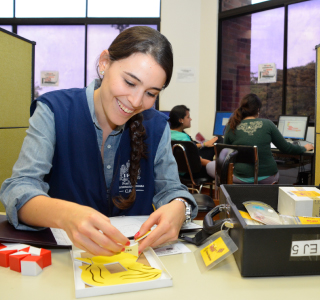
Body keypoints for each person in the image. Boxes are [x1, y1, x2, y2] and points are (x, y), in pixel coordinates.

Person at [0, 26, 197, 256]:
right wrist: (67, 215)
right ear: (104, 63)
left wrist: (180, 208)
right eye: (130, 82)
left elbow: (172, 189)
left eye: (151, 93)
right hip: (62, 264)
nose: (135, 101)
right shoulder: (54, 110)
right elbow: (19, 188)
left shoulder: (156, 126)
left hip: (135, 263)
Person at [224, 93, 314, 184]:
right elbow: (286, 148)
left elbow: (224, 152)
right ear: (258, 109)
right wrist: (304, 148)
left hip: (240, 177)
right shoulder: (267, 124)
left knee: (210, 166)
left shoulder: (232, 126)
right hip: (266, 178)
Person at [169, 105, 217, 178]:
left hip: (176, 171)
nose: (190, 119)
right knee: (218, 139)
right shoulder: (184, 138)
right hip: (192, 172)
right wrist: (213, 165)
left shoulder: (167, 134)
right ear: (180, 120)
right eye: (188, 117)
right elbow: (196, 161)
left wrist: (203, 144)